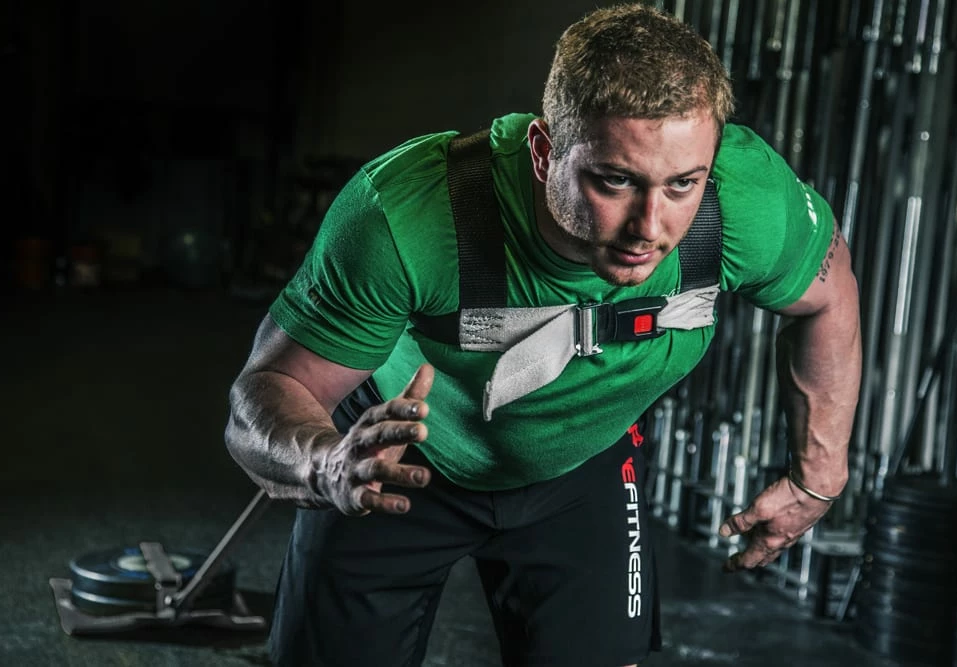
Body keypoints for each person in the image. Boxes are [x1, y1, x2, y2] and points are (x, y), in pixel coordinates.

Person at [224, 3, 862, 666]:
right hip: (399, 456)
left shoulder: (746, 199)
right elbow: (267, 391)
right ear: (543, 150)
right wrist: (325, 464)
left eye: (682, 184)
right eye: (615, 180)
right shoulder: (408, 215)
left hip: (582, 458)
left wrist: (817, 478)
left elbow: (830, 296)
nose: (650, 226)